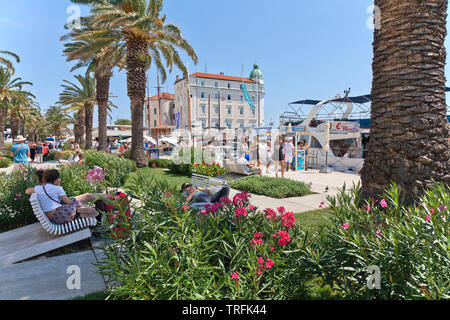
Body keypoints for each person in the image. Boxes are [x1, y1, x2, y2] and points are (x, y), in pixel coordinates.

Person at [25, 169, 103, 225]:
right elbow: (68, 202)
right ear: (55, 179)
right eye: (58, 178)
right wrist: (74, 200)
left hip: (52, 217)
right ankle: (95, 212)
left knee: (80, 201)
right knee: (75, 201)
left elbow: (27, 191)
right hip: (59, 216)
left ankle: (87, 211)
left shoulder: (39, 188)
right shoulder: (58, 189)